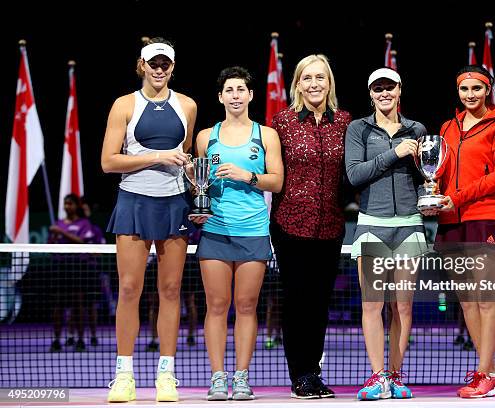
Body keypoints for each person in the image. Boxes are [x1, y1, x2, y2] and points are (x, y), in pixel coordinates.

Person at [101, 37, 197, 403]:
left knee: (171, 291)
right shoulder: (124, 105)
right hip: (133, 202)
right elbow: (109, 161)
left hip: (174, 204)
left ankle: (166, 375)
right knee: (129, 290)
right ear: (141, 65)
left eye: (165, 64)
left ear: (172, 67)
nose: (159, 69)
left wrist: (191, 172)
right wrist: (157, 156)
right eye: (153, 63)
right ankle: (123, 375)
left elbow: (185, 157)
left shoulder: (187, 105)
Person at [423, 65, 495, 398]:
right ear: (458, 91)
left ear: (488, 90)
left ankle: (485, 371)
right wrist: (432, 187)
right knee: (466, 302)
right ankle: (488, 371)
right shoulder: (448, 127)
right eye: (465, 89)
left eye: (477, 88)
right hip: (451, 222)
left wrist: (456, 197)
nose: (470, 95)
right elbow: (441, 170)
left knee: (486, 298)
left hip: (486, 219)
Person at [194, 66, 283, 401]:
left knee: (246, 306)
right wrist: (194, 185)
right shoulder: (205, 137)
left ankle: (242, 378)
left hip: (254, 230)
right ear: (220, 97)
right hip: (215, 229)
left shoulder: (266, 135)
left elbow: (277, 181)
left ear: (250, 95)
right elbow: (197, 184)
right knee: (217, 305)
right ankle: (218, 378)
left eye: (240, 89)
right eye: (229, 89)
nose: (235, 95)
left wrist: (248, 175)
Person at [270, 54, 351, 399]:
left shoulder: (346, 122)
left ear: (329, 82)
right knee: (297, 300)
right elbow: (273, 171)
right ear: (298, 84)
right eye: (308, 78)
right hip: (290, 225)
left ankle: (314, 372)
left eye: (320, 77)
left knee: (319, 303)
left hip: (331, 227)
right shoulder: (282, 122)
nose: (314, 84)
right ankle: (300, 374)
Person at [345, 67, 426, 400]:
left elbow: (427, 178)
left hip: (409, 225)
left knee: (403, 309)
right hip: (372, 226)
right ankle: (377, 377)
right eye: (378, 89)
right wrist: (395, 153)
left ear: (400, 90)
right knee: (372, 305)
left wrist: (422, 164)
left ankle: (395, 375)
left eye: (389, 87)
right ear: (370, 93)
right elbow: (354, 175)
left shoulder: (417, 129)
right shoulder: (357, 129)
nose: (384, 93)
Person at [48, 194, 95, 353]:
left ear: (76, 206)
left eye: (70, 204)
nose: (67, 206)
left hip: (78, 267)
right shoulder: (58, 223)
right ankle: (56, 340)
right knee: (58, 305)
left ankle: (80, 339)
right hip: (61, 267)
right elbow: (50, 246)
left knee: (78, 304)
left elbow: (83, 242)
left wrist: (61, 232)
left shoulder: (84, 223)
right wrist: (54, 236)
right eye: (65, 204)